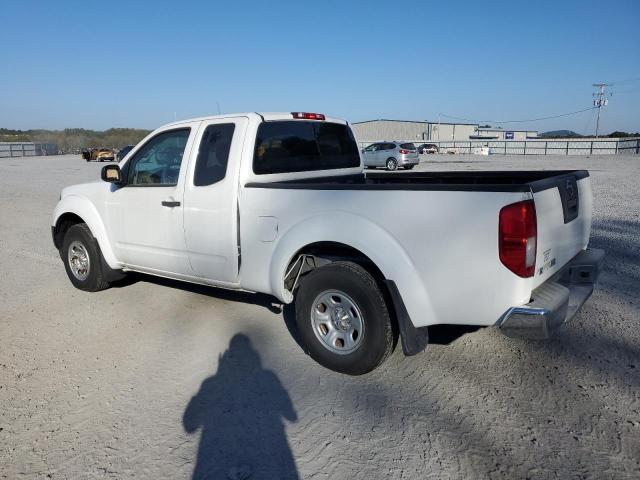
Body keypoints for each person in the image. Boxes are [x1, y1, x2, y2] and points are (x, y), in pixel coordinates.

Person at [183, 334, 299, 479]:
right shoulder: (268, 377)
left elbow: (189, 425)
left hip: (215, 461)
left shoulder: (210, 384)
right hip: (267, 459)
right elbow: (291, 416)